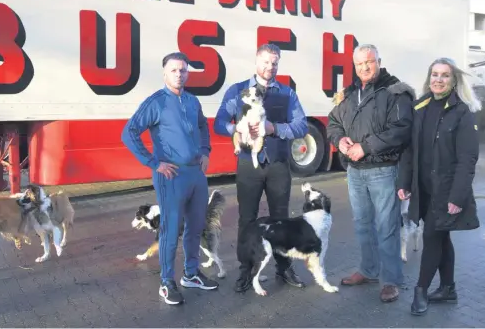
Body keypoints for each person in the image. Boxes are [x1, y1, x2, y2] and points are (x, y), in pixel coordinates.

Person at [121, 52, 218, 305]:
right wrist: (153, 163)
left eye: (183, 70)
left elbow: (202, 126)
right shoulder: (156, 102)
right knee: (170, 230)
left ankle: (191, 273)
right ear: (165, 73)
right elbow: (129, 132)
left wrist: (205, 151)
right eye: (174, 70)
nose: (179, 74)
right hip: (171, 176)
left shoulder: (192, 101)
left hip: (196, 174)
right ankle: (166, 281)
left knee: (196, 227)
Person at [213, 43, 309, 293]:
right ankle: (246, 270)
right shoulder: (237, 91)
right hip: (248, 165)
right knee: (247, 219)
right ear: (257, 61)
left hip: (278, 165)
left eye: (275, 62)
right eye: (266, 61)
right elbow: (219, 122)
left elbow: (301, 126)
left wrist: (274, 129)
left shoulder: (288, 93)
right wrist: (237, 129)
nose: (270, 67)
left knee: (281, 219)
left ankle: (284, 267)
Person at [326, 44, 415, 303]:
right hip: (355, 172)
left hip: (384, 170)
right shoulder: (350, 93)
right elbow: (333, 123)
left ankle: (391, 281)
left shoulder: (395, 91)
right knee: (363, 225)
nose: (364, 67)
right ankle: (369, 270)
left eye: (369, 62)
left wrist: (365, 147)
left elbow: (401, 129)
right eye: (359, 64)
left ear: (379, 61)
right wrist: (340, 140)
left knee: (387, 227)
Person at [396, 57, 481, 316]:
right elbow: (410, 149)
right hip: (423, 189)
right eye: (435, 74)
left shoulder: (462, 111)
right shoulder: (420, 105)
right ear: (429, 77)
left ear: (453, 79)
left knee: (433, 236)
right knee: (442, 236)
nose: (439, 80)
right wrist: (404, 182)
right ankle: (448, 288)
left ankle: (420, 289)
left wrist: (458, 196)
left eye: (445, 75)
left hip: (446, 191)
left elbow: (468, 159)